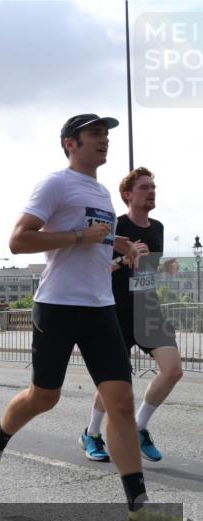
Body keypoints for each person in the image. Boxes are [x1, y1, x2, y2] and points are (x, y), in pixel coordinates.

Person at [0, 114, 193, 521]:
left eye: (107, 135)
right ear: (70, 144)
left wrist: (121, 242)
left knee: (122, 405)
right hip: (57, 304)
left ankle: (140, 509)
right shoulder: (56, 184)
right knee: (44, 397)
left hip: (100, 307)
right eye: (95, 135)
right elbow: (19, 241)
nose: (104, 141)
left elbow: (98, 238)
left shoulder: (98, 191)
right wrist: (79, 236)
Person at [80, 167, 183, 463]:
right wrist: (124, 258)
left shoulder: (158, 228)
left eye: (153, 186)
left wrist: (163, 268)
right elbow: (93, 270)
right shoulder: (113, 227)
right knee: (114, 382)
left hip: (148, 309)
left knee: (173, 370)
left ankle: (138, 428)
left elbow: (144, 271)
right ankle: (92, 433)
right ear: (128, 195)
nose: (152, 191)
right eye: (144, 187)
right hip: (114, 312)